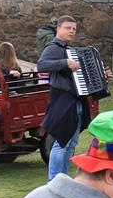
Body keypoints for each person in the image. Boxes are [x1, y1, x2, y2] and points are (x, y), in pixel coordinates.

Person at [38, 15, 90, 182]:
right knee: (61, 142)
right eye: (68, 28)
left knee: (71, 143)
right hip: (62, 100)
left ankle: (62, 179)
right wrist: (64, 63)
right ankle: (54, 181)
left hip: (75, 100)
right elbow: (42, 65)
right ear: (58, 28)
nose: (72, 31)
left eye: (74, 29)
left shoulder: (69, 49)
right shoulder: (53, 47)